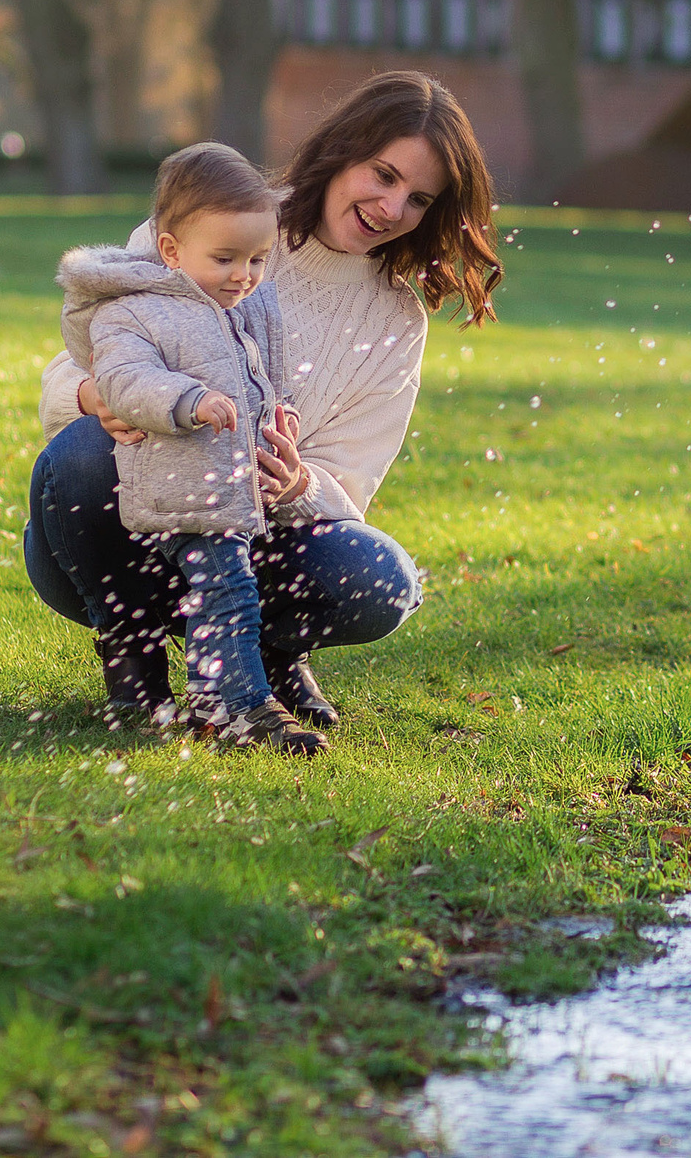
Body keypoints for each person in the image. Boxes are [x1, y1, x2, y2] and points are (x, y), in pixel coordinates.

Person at [25, 72, 502, 729]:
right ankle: (132, 659)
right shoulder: (213, 220)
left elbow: (348, 490)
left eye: (419, 198)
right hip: (129, 529)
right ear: (342, 154)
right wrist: (97, 396)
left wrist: (295, 483)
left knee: (383, 580)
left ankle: (264, 649)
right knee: (83, 448)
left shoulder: (396, 321)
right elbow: (63, 375)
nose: (393, 209)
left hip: (252, 546)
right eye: (383, 175)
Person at [57, 143, 324, 752]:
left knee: (227, 591)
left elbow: (258, 377)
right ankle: (246, 707)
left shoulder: (234, 306)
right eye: (226, 258)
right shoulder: (134, 310)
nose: (244, 275)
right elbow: (122, 382)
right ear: (172, 251)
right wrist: (187, 401)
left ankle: (212, 699)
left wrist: (277, 415)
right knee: (229, 591)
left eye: (257, 259)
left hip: (226, 487)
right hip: (178, 483)